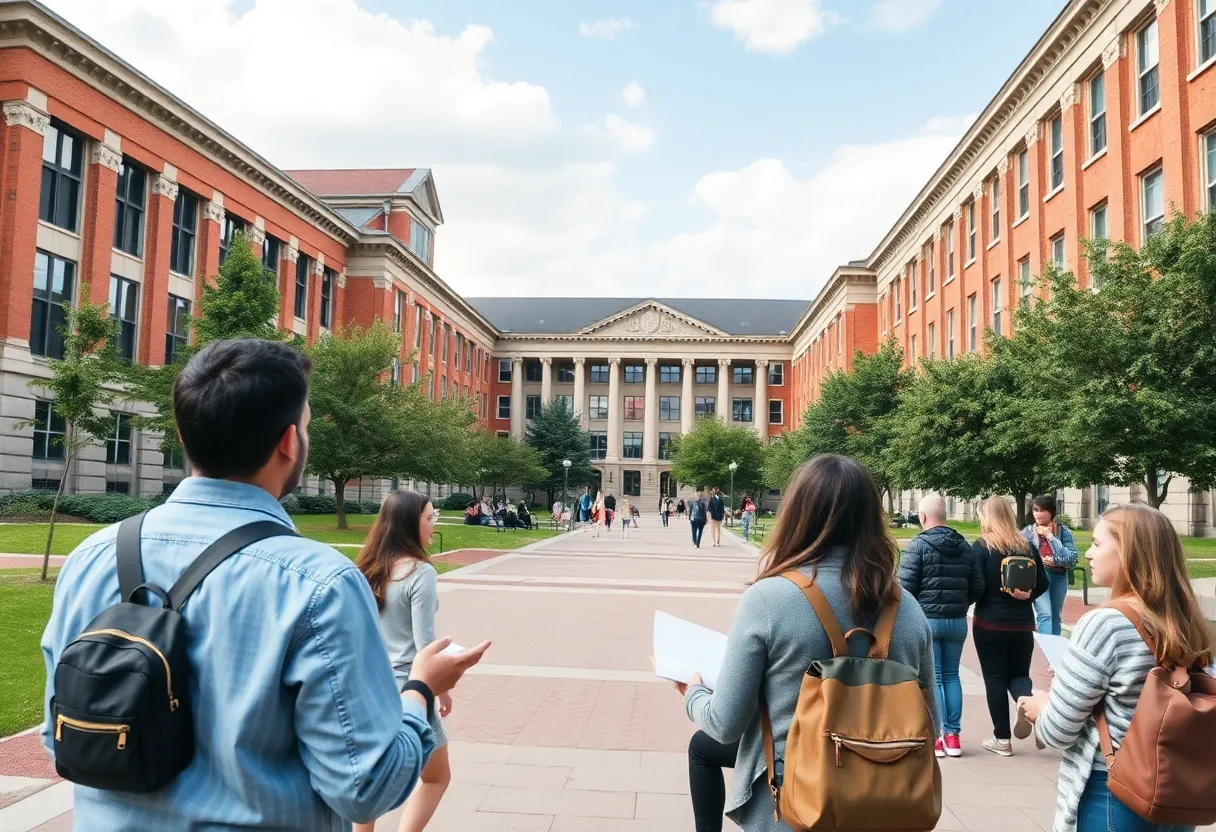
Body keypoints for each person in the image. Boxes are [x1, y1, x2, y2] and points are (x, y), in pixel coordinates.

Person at [39, 339, 490, 830]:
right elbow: (367, 789)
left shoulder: (90, 558)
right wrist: (421, 688)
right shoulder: (319, 584)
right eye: (309, 426)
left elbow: (59, 733)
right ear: (288, 442)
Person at [675, 455, 937, 831]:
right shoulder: (907, 608)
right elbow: (931, 723)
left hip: (793, 805)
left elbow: (724, 722)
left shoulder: (768, 599)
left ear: (797, 512)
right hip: (886, 808)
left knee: (705, 746)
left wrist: (692, 692)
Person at [1016, 503, 1215, 832]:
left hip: (1113, 789)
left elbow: (1057, 732)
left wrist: (1041, 706)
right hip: (1175, 793)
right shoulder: (1186, 622)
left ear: (1129, 553)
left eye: (1097, 544)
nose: (1089, 554)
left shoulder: (1105, 623)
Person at [354, 491, 455, 832]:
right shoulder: (419, 572)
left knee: (371, 784)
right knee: (438, 777)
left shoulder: (366, 569)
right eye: (429, 518)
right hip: (410, 688)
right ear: (411, 524)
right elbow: (424, 641)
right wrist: (440, 689)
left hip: (368, 688)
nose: (433, 524)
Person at [899, 494, 985, 758]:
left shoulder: (918, 546)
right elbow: (978, 585)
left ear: (922, 517)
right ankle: (953, 736)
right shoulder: (965, 546)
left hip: (928, 620)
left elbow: (904, 588)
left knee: (933, 677)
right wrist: (959, 603)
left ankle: (936, 736)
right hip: (957, 620)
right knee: (951, 676)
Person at [971, 495, 1048, 757]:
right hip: (1022, 624)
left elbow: (976, 585)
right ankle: (1034, 714)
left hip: (989, 623)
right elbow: (1044, 583)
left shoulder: (982, 547)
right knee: (1019, 675)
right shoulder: (1026, 545)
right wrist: (1027, 596)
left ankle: (1002, 739)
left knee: (994, 679)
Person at [1021, 494, 1079, 636]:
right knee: (1045, 614)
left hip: (1059, 576)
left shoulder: (1062, 531)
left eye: (1042, 510)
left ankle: (1054, 648)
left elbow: (1071, 558)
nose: (1038, 514)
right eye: (1035, 510)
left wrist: (1051, 538)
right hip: (1038, 576)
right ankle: (1046, 648)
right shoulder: (1027, 533)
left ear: (1051, 512)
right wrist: (1040, 560)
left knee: (1055, 615)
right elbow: (1022, 558)